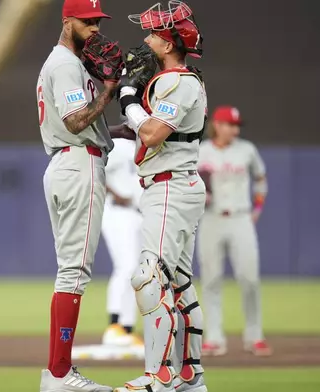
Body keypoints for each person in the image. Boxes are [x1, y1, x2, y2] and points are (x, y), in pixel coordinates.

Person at [36, 0, 131, 390]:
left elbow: (81, 123)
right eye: (87, 21)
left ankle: (58, 373)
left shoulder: (70, 64)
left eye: (97, 21)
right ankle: (59, 375)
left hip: (70, 163)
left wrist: (118, 131)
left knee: (68, 272)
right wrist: (110, 90)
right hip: (79, 165)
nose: (94, 28)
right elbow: (76, 122)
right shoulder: (65, 64)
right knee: (74, 273)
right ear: (68, 21)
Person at [115, 1, 208, 391]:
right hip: (174, 183)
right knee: (179, 281)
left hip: (170, 186)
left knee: (149, 279)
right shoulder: (176, 81)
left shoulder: (179, 81)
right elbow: (149, 133)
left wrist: (128, 97)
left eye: (153, 33)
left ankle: (160, 376)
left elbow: (153, 134)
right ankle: (190, 375)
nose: (146, 39)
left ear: (169, 43)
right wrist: (130, 125)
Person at [196, 105, 272, 357]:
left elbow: (261, 179)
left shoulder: (247, 150)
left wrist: (257, 210)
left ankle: (254, 336)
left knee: (249, 279)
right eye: (230, 124)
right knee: (211, 280)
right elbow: (188, 182)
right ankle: (214, 338)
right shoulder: (201, 151)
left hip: (240, 218)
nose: (234, 129)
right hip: (211, 219)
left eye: (237, 125)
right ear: (217, 125)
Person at [100, 137, 144, 356]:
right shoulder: (115, 144)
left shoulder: (149, 144)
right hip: (118, 211)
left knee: (137, 273)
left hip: (139, 213)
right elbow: (95, 170)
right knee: (125, 267)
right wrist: (115, 193)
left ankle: (127, 329)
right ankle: (114, 325)